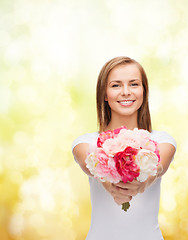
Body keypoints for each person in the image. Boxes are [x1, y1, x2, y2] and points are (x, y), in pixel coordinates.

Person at [72, 56, 176, 240]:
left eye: (134, 84)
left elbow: (159, 166)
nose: (126, 92)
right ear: (104, 94)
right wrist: (110, 186)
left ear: (144, 91)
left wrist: (143, 184)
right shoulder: (85, 143)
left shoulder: (161, 141)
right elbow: (88, 164)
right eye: (116, 85)